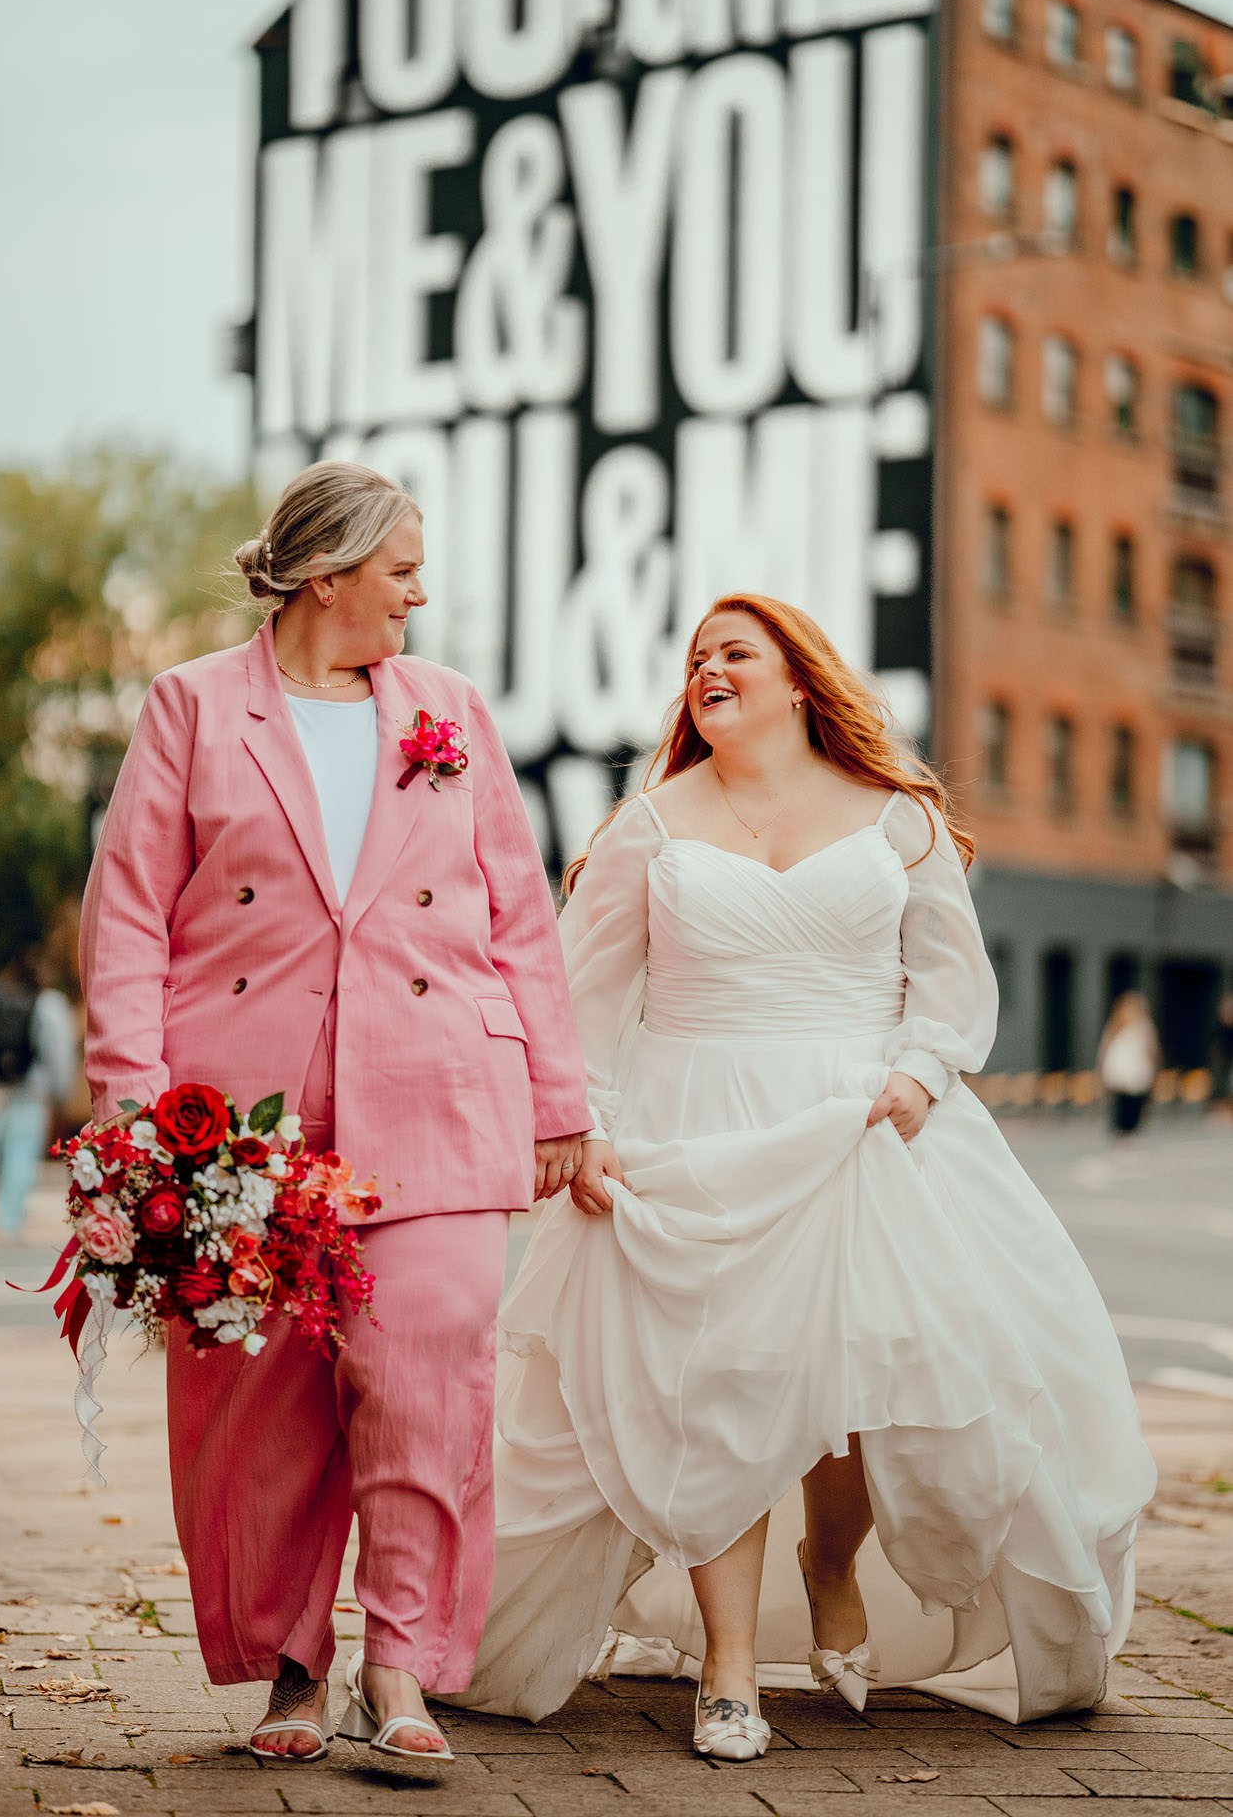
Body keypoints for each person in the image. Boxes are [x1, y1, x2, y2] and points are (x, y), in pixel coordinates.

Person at [454, 594, 1156, 1749]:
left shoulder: (898, 820)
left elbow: (947, 980)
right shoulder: (649, 826)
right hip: (693, 1128)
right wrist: (589, 1122)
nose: (709, 668)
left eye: (737, 651)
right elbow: (578, 1001)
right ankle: (726, 1663)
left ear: (797, 679)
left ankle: (833, 1561)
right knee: (716, 1381)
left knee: (848, 1388)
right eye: (695, 658)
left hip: (860, 1124)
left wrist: (921, 1077)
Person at [78, 461, 591, 1768]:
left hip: (437, 1098)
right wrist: (134, 1113)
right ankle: (294, 1670)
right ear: (328, 574)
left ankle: (403, 1665)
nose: (422, 588)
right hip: (236, 1125)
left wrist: (557, 1099)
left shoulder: (452, 714)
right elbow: (129, 916)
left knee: (428, 1375)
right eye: (402, 564)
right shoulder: (190, 707)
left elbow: (522, 923)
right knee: (261, 1405)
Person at [0, 958, 77, 1235]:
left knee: (0, 1148)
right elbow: (58, 1052)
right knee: (21, 1150)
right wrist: (60, 1092)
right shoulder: (50, 1004)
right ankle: (9, 1217)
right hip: (31, 1090)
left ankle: (4, 1205)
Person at [1097, 992, 1161, 1136]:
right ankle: (1120, 1129)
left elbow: (1152, 1049)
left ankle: (1131, 1128)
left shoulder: (1144, 1027)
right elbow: (1106, 1048)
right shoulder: (1115, 1025)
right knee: (1120, 1101)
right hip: (1119, 1070)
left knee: (1135, 1100)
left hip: (1138, 1070)